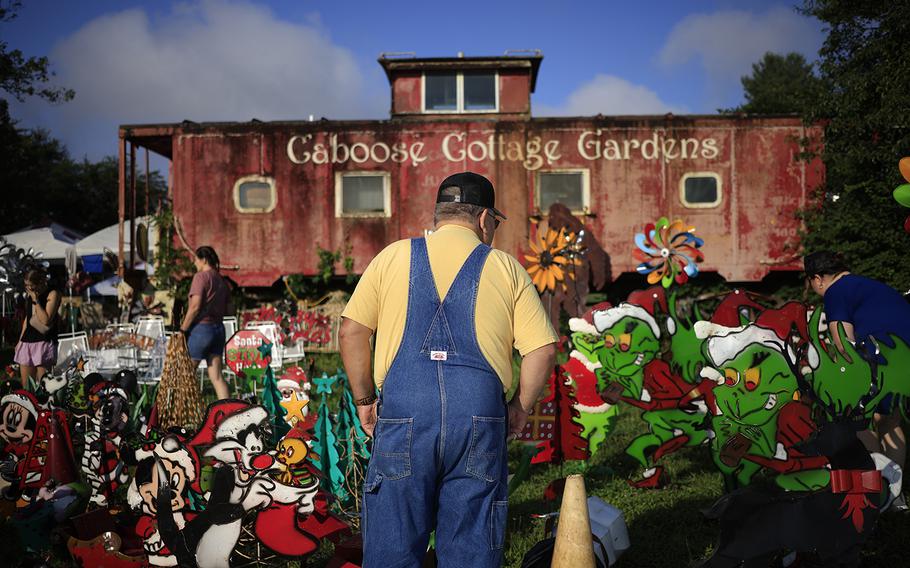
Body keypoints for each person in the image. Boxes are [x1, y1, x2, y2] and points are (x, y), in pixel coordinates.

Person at [340, 171, 558, 567]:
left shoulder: (392, 257)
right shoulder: (506, 268)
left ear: (440, 215)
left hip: (405, 413)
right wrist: (520, 407)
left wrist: (364, 399)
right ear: (483, 219)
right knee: (471, 536)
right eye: (495, 221)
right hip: (478, 414)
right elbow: (542, 349)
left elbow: (352, 331)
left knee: (394, 534)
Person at [804, 251, 910, 479]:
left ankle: (876, 487)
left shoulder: (835, 291)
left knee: (857, 422)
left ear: (817, 278)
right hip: (903, 356)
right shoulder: (871, 286)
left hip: (881, 356)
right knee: (888, 421)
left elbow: (844, 342)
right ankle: (896, 493)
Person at [179, 246, 232, 400]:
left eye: (196, 259)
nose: (195, 263)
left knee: (186, 374)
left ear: (204, 260)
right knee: (216, 377)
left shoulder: (201, 277)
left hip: (202, 329)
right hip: (218, 330)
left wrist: (183, 329)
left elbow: (195, 306)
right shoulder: (221, 280)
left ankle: (183, 413)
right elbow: (230, 309)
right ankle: (228, 411)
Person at [14, 269, 61, 387]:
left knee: (44, 387)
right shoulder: (31, 295)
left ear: (41, 282)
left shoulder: (52, 294)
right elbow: (27, 319)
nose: (29, 289)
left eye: (32, 286)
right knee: (27, 387)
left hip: (43, 342)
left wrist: (36, 300)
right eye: (26, 286)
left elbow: (45, 320)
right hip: (27, 342)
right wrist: (20, 341)